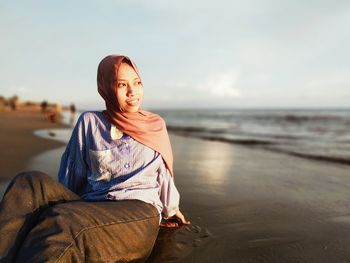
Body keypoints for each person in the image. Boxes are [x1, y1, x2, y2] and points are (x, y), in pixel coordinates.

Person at [0, 55, 189, 263]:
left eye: (137, 83)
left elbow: (164, 175)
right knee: (29, 183)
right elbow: (74, 173)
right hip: (94, 205)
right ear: (106, 88)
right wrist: (58, 203)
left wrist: (172, 209)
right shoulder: (90, 122)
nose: (132, 92)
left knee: (64, 222)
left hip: (139, 211)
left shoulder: (155, 125)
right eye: (122, 84)